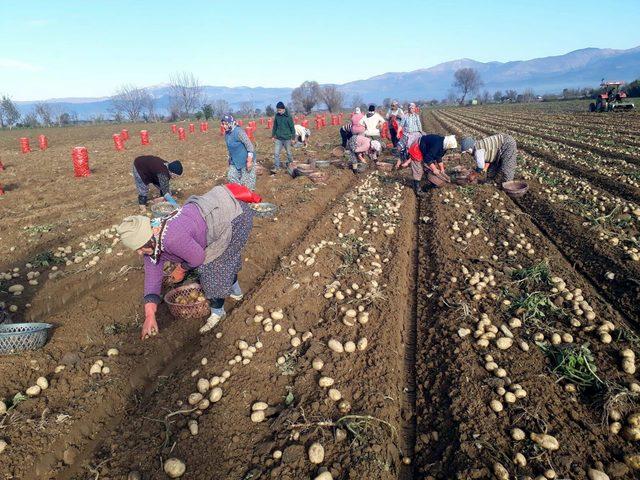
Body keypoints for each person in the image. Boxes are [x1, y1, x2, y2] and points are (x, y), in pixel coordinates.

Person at [117, 184, 254, 338]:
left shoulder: (172, 238)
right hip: (217, 211)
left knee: (212, 267)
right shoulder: (153, 237)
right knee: (225, 260)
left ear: (149, 238)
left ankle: (218, 312)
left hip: (234, 218)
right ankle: (236, 293)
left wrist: (181, 269)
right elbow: (152, 277)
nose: (139, 252)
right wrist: (150, 315)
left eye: (141, 248)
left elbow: (197, 258)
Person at [221, 114, 256, 191]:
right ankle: (240, 193)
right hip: (235, 161)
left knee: (247, 184)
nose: (224, 126)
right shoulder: (227, 133)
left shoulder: (239, 132)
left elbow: (249, 146)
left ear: (231, 123)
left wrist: (249, 161)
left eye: (226, 124)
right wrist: (229, 159)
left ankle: (249, 199)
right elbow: (230, 148)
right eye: (223, 124)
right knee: (231, 176)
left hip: (246, 159)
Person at [271, 101, 295, 173]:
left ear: (283, 109)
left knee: (289, 153)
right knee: (276, 153)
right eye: (277, 110)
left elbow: (292, 128)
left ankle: (291, 164)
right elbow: (275, 126)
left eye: (280, 110)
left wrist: (293, 138)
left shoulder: (288, 117)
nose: (278, 111)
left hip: (287, 138)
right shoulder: (277, 116)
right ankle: (277, 167)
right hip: (278, 138)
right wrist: (273, 135)